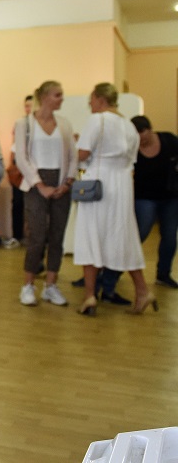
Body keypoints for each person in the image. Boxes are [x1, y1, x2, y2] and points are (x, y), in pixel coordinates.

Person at [73, 84, 155, 316]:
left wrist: (72, 148)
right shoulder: (129, 125)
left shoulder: (97, 120)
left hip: (98, 185)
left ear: (99, 99)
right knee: (123, 236)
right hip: (122, 186)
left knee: (91, 235)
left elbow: (83, 153)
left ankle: (90, 296)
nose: (89, 104)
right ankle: (142, 290)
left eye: (91, 100)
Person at [13, 81, 77, 307]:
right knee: (37, 236)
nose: (62, 99)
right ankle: (28, 285)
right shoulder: (24, 124)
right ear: (45, 97)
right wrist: (41, 185)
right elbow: (21, 158)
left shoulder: (65, 124)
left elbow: (72, 156)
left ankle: (51, 285)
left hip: (61, 184)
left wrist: (67, 183)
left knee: (57, 236)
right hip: (35, 186)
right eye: (58, 95)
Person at [131, 116, 178, 288]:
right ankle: (113, 273)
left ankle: (164, 274)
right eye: (136, 134)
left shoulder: (169, 140)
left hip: (170, 197)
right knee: (139, 234)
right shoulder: (133, 148)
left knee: (170, 237)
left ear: (150, 129)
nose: (141, 137)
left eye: (143, 132)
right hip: (145, 197)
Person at [4, 95, 34, 249]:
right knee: (17, 202)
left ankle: (35, 237)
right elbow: (14, 146)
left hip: (34, 166)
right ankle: (17, 236)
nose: (28, 109)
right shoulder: (20, 124)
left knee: (34, 203)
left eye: (31, 105)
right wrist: (11, 166)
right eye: (26, 106)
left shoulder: (40, 124)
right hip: (19, 167)